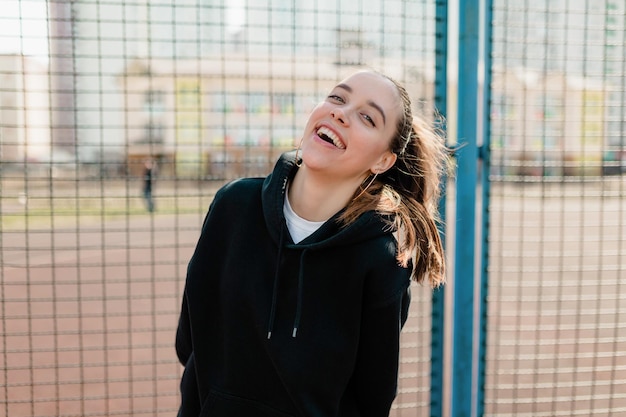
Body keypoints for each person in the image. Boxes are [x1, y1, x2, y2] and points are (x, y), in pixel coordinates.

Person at [175, 69, 449, 417]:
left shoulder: (381, 258)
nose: (340, 112)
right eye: (338, 97)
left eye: (367, 117)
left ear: (383, 160)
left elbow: (372, 397)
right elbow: (190, 341)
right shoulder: (233, 206)